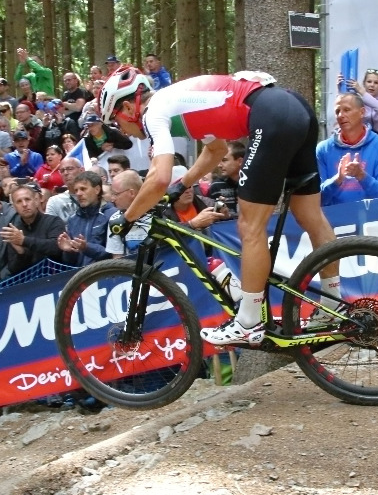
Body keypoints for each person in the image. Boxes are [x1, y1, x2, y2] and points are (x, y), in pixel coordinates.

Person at [101, 67, 337, 346]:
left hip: (271, 117)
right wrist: (182, 185)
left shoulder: (153, 112)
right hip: (294, 108)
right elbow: (216, 151)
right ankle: (333, 305)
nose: (119, 129)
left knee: (250, 226)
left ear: (129, 107)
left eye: (115, 120)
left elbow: (158, 177)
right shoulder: (180, 101)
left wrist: (128, 217)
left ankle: (248, 322)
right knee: (310, 216)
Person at [317, 92, 378, 205]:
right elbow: (317, 198)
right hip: (333, 215)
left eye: (346, 110)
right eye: (337, 111)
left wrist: (361, 175)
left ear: (362, 112)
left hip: (372, 214)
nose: (341, 115)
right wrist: (337, 179)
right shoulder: (323, 149)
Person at [56, 171, 117, 266]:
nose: (79, 194)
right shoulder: (73, 219)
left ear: (97, 190)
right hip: (82, 273)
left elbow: (113, 253)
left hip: (106, 271)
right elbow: (70, 263)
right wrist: (69, 251)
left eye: (83, 189)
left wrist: (87, 248)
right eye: (76, 190)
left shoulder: (112, 215)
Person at [3, 183, 66, 274]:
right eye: (19, 201)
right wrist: (21, 253)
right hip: (28, 279)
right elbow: (13, 269)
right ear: (14, 207)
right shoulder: (14, 230)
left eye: (27, 199)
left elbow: (57, 247)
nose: (24, 204)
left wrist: (24, 240)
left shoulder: (54, 221)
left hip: (55, 275)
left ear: (36, 201)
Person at [337, 68, 378, 134]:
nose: (372, 85)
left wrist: (361, 91)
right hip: (362, 135)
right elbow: (343, 105)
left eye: (376, 83)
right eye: (369, 82)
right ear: (364, 83)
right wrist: (340, 89)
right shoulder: (358, 98)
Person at [206, 141, 244, 217]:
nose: (219, 165)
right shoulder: (216, 185)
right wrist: (219, 210)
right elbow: (211, 216)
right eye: (219, 160)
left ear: (240, 161)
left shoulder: (253, 184)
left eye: (224, 160)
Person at [44, 157, 85, 222]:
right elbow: (49, 226)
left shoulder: (94, 195)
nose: (65, 173)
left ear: (82, 170)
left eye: (70, 169)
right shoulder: (54, 202)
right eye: (62, 171)